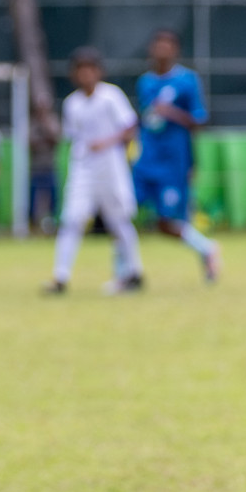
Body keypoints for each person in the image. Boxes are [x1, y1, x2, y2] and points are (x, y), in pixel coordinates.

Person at [43, 48, 143, 296]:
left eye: (90, 69)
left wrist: (106, 142)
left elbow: (129, 128)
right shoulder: (72, 103)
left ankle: (133, 272)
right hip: (84, 168)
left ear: (99, 72)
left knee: (119, 221)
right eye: (81, 70)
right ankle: (60, 277)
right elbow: (72, 138)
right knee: (72, 219)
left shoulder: (111, 96)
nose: (86, 75)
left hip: (111, 167)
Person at [132, 29, 222, 282]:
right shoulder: (145, 82)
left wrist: (171, 113)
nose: (161, 50)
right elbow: (146, 121)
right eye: (157, 44)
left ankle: (207, 249)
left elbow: (199, 120)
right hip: (146, 160)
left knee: (166, 223)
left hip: (174, 163)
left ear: (176, 50)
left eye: (167, 45)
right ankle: (127, 274)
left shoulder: (187, 80)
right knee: (122, 212)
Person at [27, 110, 61, 236]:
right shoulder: (32, 123)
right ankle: (34, 226)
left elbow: (55, 139)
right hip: (36, 167)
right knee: (33, 199)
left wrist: (45, 126)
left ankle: (51, 226)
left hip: (50, 166)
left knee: (52, 198)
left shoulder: (52, 121)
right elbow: (31, 142)